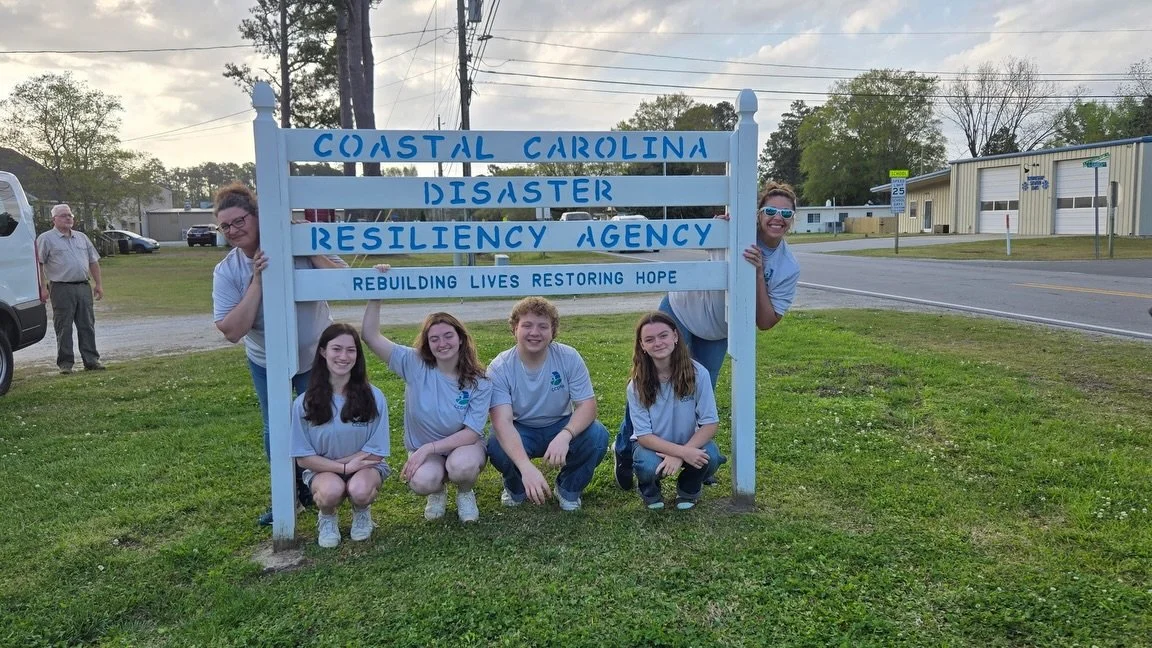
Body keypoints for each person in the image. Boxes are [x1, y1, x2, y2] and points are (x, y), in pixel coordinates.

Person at [614, 181, 802, 489]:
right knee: (648, 383)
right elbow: (704, 232)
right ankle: (625, 451)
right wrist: (720, 225)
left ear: (792, 218)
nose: (777, 218)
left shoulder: (787, 266)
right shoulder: (733, 231)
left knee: (697, 392)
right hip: (681, 312)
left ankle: (693, 458)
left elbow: (766, 321)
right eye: (770, 210)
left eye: (785, 213)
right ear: (758, 213)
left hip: (717, 330)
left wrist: (757, 273)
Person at [211, 182, 347, 526]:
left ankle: (323, 489)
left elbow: (344, 282)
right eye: (225, 226)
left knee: (321, 419)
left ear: (257, 216)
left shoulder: (298, 242)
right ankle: (288, 499)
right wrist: (257, 281)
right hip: (266, 360)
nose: (233, 230)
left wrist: (308, 246)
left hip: (314, 355)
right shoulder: (228, 271)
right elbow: (230, 331)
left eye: (239, 221)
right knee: (277, 429)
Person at [362, 267, 491, 523]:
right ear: (427, 343)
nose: (442, 343)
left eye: (448, 336)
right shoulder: (414, 363)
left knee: (462, 467)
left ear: (461, 339)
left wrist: (428, 448)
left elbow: (471, 432)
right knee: (422, 481)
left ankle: (465, 491)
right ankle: (438, 491)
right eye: (434, 339)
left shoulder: (480, 380)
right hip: (425, 452)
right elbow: (369, 336)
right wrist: (376, 294)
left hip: (463, 447)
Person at [486, 297, 609, 511]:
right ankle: (517, 488)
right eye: (527, 325)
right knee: (497, 445)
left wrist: (566, 434)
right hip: (521, 427)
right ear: (515, 328)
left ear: (553, 331)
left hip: (560, 423)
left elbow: (587, 406)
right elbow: (502, 422)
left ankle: (568, 488)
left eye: (543, 326)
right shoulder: (500, 367)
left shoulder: (569, 357)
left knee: (597, 436)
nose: (535, 332)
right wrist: (526, 467)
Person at [290, 323, 390, 548]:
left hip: (366, 467)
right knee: (330, 491)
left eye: (351, 350)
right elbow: (303, 458)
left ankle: (362, 511)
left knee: (360, 490)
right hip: (322, 471)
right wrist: (343, 468)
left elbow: (377, 452)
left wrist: (352, 466)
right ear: (323, 352)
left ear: (358, 355)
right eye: (336, 349)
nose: (343, 356)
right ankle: (327, 516)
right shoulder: (304, 403)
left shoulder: (374, 397)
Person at [626, 311, 721, 510]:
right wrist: (682, 453)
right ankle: (649, 489)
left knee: (710, 455)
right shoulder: (636, 385)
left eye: (663, 335)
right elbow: (643, 436)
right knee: (647, 465)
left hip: (688, 440)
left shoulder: (698, 374)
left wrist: (681, 453)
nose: (658, 343)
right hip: (651, 447)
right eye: (649, 339)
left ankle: (688, 490)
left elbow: (710, 423)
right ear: (642, 345)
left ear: (675, 337)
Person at [36, 204, 105, 374]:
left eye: (70, 215)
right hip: (61, 288)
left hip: (82, 286)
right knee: (63, 326)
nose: (68, 218)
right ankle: (65, 364)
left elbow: (93, 262)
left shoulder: (82, 238)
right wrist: (42, 287)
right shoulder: (46, 239)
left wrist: (98, 284)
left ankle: (91, 360)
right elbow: (38, 263)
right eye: (63, 215)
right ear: (54, 219)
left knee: (87, 325)